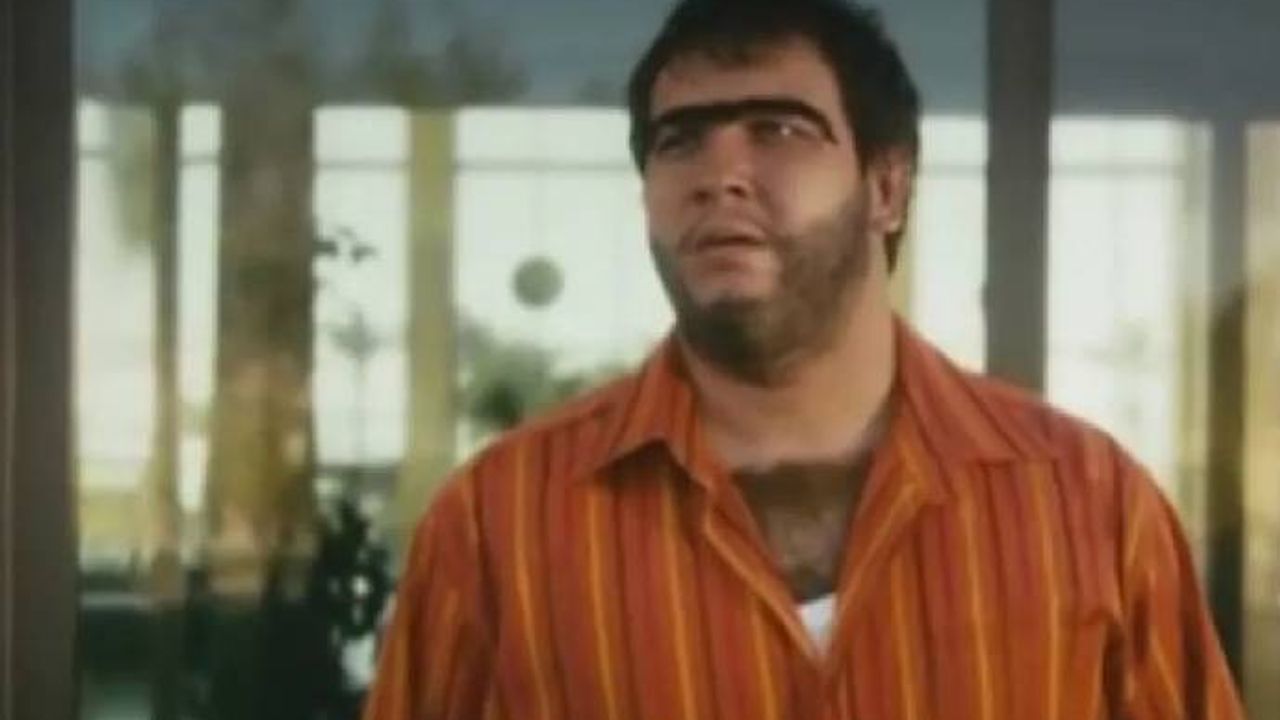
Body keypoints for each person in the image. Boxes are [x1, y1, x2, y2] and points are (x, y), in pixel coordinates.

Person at [362, 0, 1245, 717]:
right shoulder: (499, 525)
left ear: (886, 187)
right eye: (680, 141)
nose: (720, 175)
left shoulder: (1087, 506)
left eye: (778, 130)